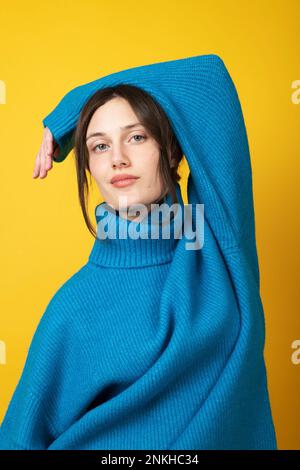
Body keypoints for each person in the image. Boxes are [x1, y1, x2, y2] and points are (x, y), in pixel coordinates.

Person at [0, 54, 278, 450]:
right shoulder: (72, 307)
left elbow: (207, 76)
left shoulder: (215, 249)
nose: (118, 159)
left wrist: (73, 110)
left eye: (137, 136)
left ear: (171, 149)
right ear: (90, 168)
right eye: (98, 146)